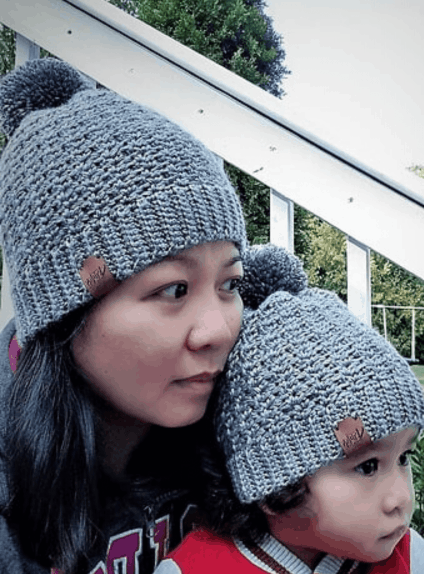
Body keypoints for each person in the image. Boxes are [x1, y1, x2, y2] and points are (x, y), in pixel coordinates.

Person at [0, 58, 248, 574]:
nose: (220, 330)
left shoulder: (247, 419)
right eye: (174, 289)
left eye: (229, 284)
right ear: (63, 312)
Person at [155, 246, 424, 574]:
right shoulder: (198, 569)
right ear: (274, 486)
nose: (401, 498)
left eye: (404, 458)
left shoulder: (410, 559)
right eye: (368, 467)